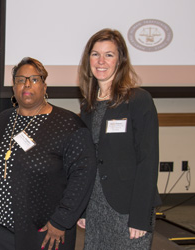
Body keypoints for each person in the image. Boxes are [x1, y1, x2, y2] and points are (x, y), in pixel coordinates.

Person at [0, 57, 96, 250]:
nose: (26, 84)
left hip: (43, 232)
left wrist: (62, 220)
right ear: (13, 87)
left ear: (44, 86)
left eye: (34, 79)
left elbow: (83, 175)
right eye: (20, 79)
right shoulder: (2, 121)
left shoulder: (68, 125)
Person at [76, 28, 161, 249]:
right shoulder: (88, 106)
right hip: (95, 207)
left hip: (128, 209)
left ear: (120, 60)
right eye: (95, 54)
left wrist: (140, 216)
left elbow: (148, 161)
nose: (101, 61)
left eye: (109, 55)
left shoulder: (139, 100)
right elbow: (86, 160)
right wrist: (83, 207)